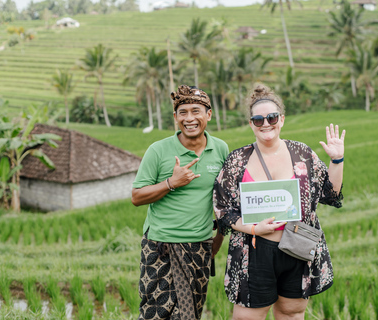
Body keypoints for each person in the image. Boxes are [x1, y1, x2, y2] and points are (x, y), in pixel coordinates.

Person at [213, 83, 345, 320]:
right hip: (253, 250)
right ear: (251, 124)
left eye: (272, 118)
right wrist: (254, 228)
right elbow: (223, 209)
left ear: (281, 120)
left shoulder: (302, 154)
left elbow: (331, 194)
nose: (266, 124)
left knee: (292, 313)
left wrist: (337, 160)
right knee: (246, 316)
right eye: (258, 119)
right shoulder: (238, 160)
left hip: (297, 247)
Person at [132, 85, 229, 320]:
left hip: (200, 247)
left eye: (196, 111)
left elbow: (224, 201)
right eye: (182, 112)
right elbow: (136, 196)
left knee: (191, 313)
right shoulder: (158, 150)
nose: (189, 118)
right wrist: (171, 183)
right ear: (175, 118)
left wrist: (217, 239)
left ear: (208, 115)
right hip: (160, 246)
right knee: (155, 313)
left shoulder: (220, 149)